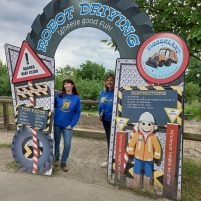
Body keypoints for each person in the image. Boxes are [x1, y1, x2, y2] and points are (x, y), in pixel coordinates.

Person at [127, 112, 161, 191]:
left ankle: (147, 187)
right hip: (138, 158)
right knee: (136, 171)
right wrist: (131, 154)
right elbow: (131, 144)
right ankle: (136, 186)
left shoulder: (153, 138)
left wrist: (156, 157)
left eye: (149, 124)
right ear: (139, 124)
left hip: (149, 159)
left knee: (148, 172)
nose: (146, 126)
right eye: (143, 123)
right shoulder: (136, 135)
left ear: (154, 127)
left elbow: (157, 148)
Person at [54, 79, 81, 171]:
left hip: (67, 126)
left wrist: (72, 124)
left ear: (72, 85)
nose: (66, 85)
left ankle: (63, 162)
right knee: (56, 142)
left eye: (68, 83)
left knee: (67, 144)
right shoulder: (59, 95)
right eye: (64, 84)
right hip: (56, 123)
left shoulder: (76, 98)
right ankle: (56, 159)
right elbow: (51, 105)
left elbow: (78, 113)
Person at [98, 73, 115, 168]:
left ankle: (114, 159)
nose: (109, 82)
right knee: (109, 139)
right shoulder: (103, 92)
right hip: (105, 120)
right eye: (107, 80)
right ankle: (109, 159)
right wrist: (100, 113)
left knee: (113, 139)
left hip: (114, 120)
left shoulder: (116, 92)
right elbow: (100, 105)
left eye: (111, 80)